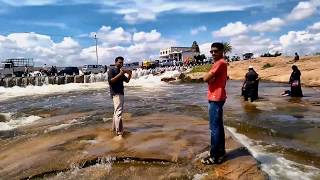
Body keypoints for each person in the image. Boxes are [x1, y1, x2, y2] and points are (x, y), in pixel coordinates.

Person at [201, 42, 228, 165]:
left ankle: (214, 156)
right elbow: (210, 78)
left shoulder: (220, 63)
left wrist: (208, 78)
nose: (213, 53)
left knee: (214, 128)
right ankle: (221, 152)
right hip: (218, 97)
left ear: (222, 51)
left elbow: (206, 78)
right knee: (218, 127)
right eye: (211, 51)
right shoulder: (219, 63)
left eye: (215, 51)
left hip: (216, 98)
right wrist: (210, 78)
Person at [108, 56, 132, 138]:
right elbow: (110, 81)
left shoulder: (120, 71)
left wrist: (130, 74)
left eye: (122, 62)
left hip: (120, 93)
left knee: (116, 112)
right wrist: (120, 74)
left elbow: (127, 81)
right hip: (116, 93)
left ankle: (114, 129)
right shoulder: (112, 70)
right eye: (119, 62)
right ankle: (119, 133)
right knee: (118, 113)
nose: (121, 64)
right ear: (115, 62)